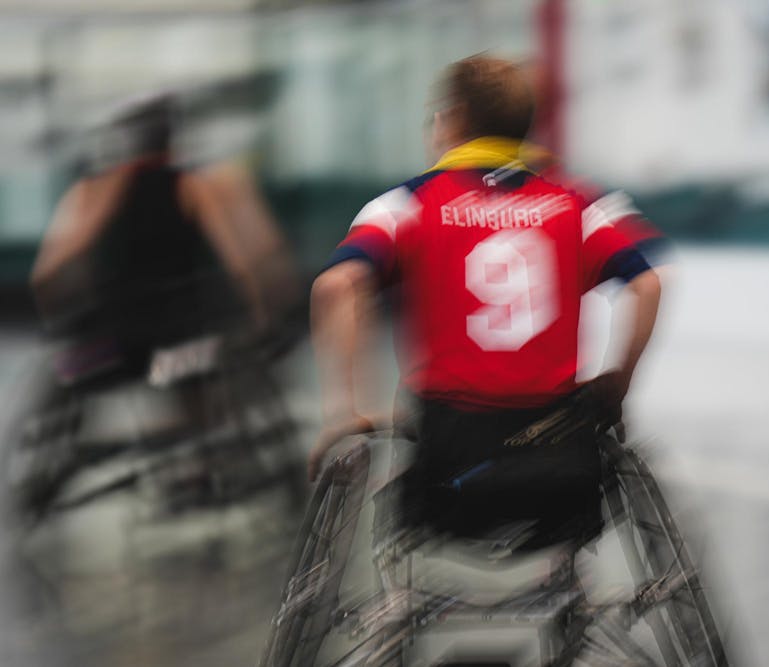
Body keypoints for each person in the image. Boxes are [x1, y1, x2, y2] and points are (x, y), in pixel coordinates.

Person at [308, 56, 661, 541]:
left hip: (451, 467)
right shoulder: (576, 204)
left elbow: (337, 286)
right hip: (561, 470)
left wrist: (343, 414)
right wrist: (616, 387)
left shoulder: (406, 205)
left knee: (412, 409)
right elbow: (648, 283)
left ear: (449, 121)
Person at [30, 92, 299, 374]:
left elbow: (45, 276)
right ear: (171, 141)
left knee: (67, 375)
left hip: (114, 343)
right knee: (202, 378)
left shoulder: (90, 192)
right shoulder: (193, 187)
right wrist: (265, 319)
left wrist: (61, 324)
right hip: (185, 335)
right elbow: (243, 263)